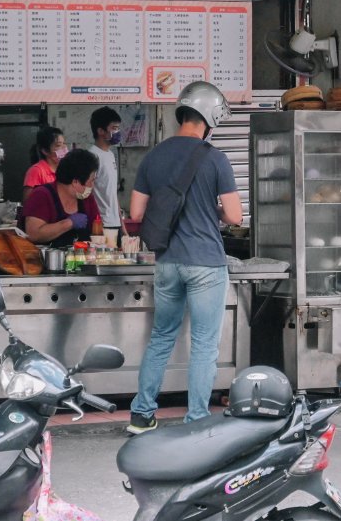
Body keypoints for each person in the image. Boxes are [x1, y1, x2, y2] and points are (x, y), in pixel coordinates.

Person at [127, 81, 242, 434]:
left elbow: (136, 212)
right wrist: (215, 214)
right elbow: (236, 217)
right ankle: (195, 420)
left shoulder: (154, 157)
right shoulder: (215, 158)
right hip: (206, 261)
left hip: (167, 261)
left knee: (162, 335)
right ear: (209, 118)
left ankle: (141, 415)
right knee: (205, 343)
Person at [22, 149, 100, 248]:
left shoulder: (87, 199)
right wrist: (69, 223)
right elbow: (33, 234)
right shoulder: (42, 195)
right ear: (75, 181)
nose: (92, 185)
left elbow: (97, 229)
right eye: (91, 180)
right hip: (47, 261)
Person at [88, 106, 125, 242]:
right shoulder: (92, 156)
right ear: (101, 131)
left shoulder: (110, 154)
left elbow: (112, 194)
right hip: (102, 224)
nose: (118, 132)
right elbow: (87, 192)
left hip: (115, 223)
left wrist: (123, 227)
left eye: (118, 128)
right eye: (114, 128)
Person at [23, 126, 66, 202]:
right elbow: (28, 203)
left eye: (64, 144)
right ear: (45, 151)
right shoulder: (36, 171)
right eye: (59, 145)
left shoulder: (64, 170)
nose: (64, 148)